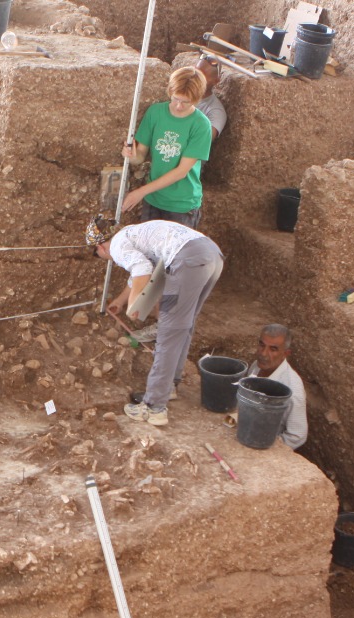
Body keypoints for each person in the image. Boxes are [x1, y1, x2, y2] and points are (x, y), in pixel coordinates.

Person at [89, 218, 224, 426]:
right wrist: (121, 301)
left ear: (100, 246)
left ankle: (154, 407)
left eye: (98, 255)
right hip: (210, 255)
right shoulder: (132, 234)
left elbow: (141, 269)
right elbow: (141, 271)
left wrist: (134, 305)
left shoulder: (115, 245)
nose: (106, 259)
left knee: (168, 332)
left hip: (188, 260)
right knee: (183, 326)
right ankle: (169, 386)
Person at [119, 67, 213, 229]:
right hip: (154, 199)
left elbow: (181, 171)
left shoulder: (201, 124)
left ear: (197, 100)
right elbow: (141, 155)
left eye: (186, 102)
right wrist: (132, 156)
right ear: (170, 91)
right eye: (176, 99)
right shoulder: (155, 112)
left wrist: (141, 192)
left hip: (181, 204)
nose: (178, 106)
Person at [247, 324, 308, 450]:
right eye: (262, 345)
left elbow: (297, 435)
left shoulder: (292, 389)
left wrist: (270, 448)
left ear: (285, 353)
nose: (263, 353)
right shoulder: (257, 366)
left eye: (273, 349)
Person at [193, 56, 227, 141]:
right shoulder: (181, 94)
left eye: (202, 76)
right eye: (196, 72)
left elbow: (204, 141)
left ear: (216, 81)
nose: (196, 78)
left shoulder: (215, 111)